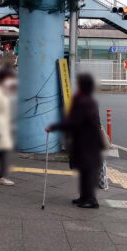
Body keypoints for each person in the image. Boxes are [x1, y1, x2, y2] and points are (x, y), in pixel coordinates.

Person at [48, 73, 104, 209]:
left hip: (88, 142)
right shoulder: (86, 99)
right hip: (86, 141)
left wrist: (55, 127)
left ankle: (91, 200)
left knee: (88, 171)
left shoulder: (84, 101)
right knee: (84, 170)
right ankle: (84, 197)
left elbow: (75, 122)